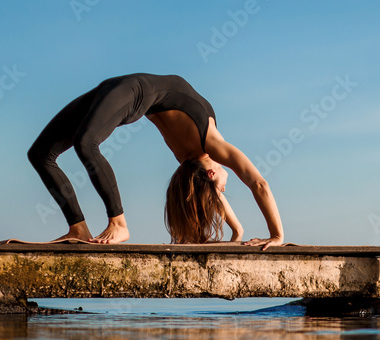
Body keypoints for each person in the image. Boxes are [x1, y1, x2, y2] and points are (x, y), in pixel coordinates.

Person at [27, 73, 285, 249]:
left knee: (74, 146)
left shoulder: (195, 159)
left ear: (210, 175)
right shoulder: (211, 146)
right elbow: (257, 184)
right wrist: (275, 235)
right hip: (125, 90)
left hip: (127, 91)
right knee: (43, 153)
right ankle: (87, 228)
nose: (224, 194)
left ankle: (105, 225)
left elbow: (230, 188)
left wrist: (239, 232)